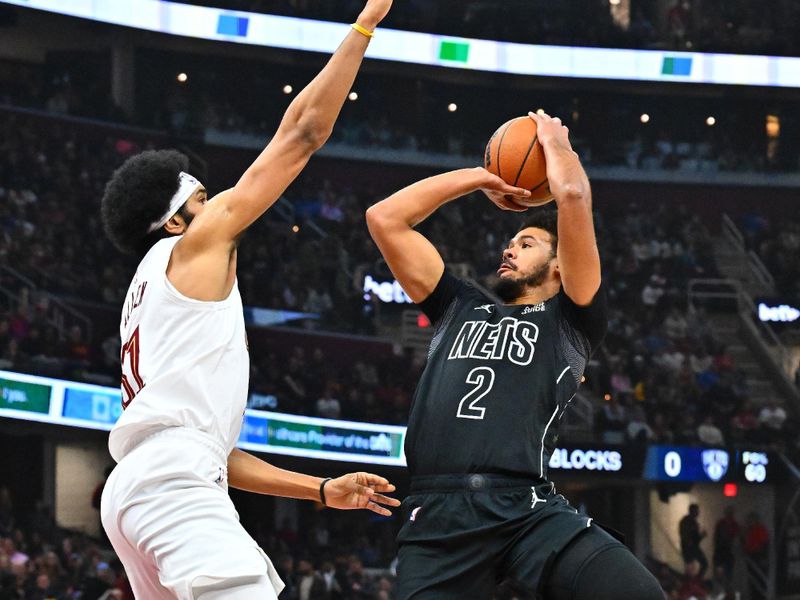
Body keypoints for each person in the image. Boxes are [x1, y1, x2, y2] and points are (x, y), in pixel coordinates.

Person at [98, 2, 399, 598]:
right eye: (204, 198)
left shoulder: (150, 294)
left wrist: (318, 489)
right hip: (169, 484)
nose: (219, 208)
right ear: (176, 222)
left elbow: (212, 453)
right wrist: (365, 23)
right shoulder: (194, 247)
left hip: (139, 489)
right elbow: (303, 133)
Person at [366, 111, 662, 599]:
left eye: (524, 243)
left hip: (526, 510)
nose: (508, 251)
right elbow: (384, 218)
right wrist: (482, 178)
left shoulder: (571, 320)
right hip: (437, 517)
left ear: (560, 265)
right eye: (510, 242)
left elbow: (571, 196)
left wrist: (555, 145)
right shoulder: (458, 305)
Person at [680, 503, 709, 580]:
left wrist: (701, 536)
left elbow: (695, 539)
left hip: (692, 547)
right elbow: (686, 536)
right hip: (689, 548)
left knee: (702, 564)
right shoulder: (686, 522)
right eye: (696, 511)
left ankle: (696, 581)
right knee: (690, 567)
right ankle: (692, 582)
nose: (697, 513)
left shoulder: (693, 523)